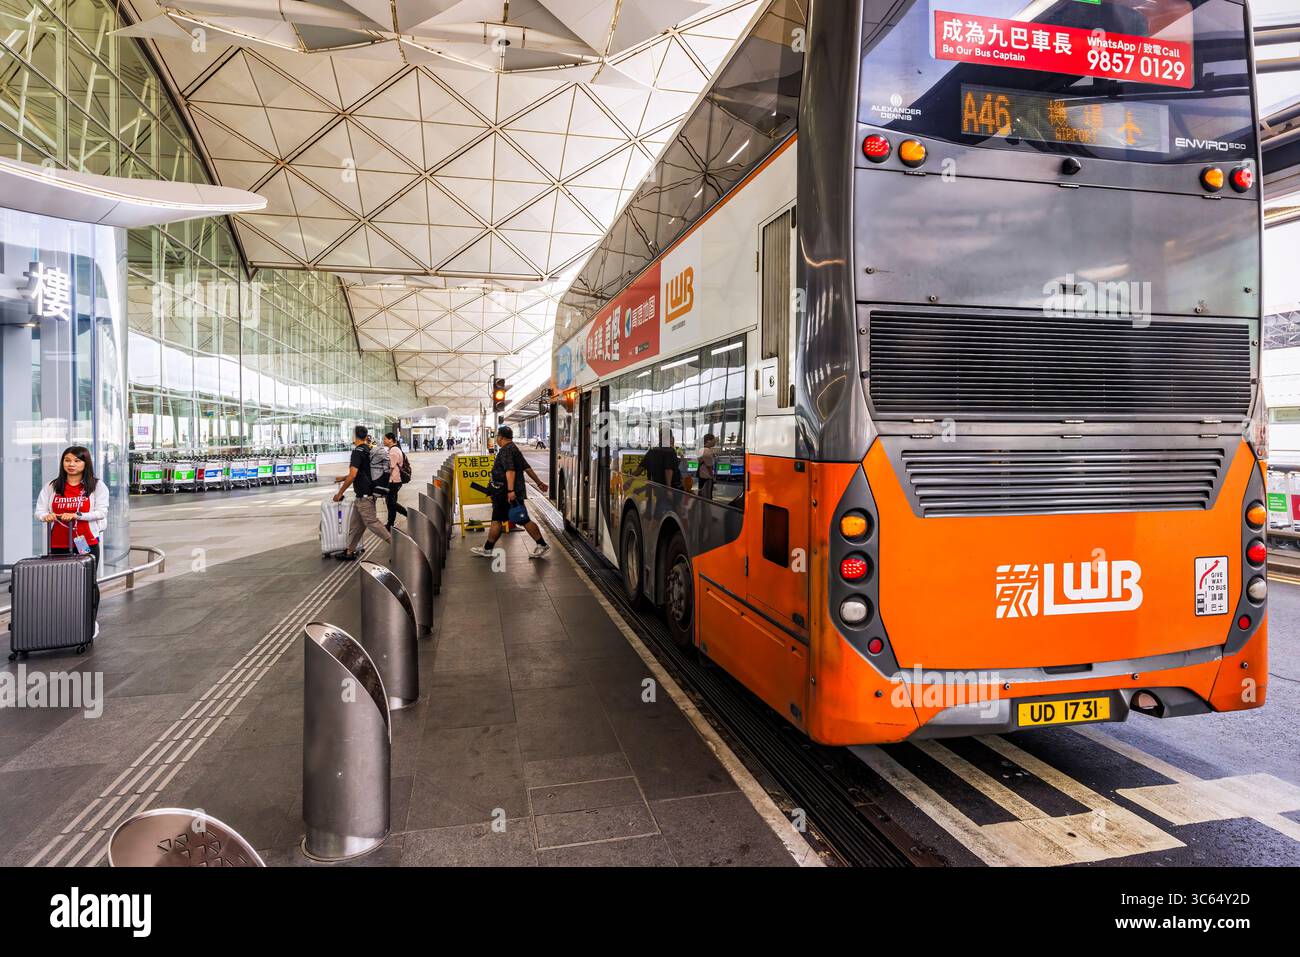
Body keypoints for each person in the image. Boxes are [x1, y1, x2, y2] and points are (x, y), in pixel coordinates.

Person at [36, 446, 109, 616]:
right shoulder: (52, 486)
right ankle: (67, 621)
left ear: (85, 463)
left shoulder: (96, 486)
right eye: (67, 460)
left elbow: (101, 512)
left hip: (86, 543)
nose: (71, 464)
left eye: (77, 460)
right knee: (61, 583)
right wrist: (45, 516)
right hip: (58, 543)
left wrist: (77, 515)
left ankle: (89, 622)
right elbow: (39, 511)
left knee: (88, 582)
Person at [471, 425, 550, 560]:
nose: (496, 439)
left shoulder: (506, 450)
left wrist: (510, 491)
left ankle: (488, 549)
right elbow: (527, 468)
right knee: (521, 519)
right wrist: (539, 482)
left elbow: (510, 470)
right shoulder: (514, 449)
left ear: (501, 437)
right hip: (510, 492)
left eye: (497, 437)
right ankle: (541, 544)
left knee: (499, 520)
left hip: (505, 493)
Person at [332, 426, 392, 561]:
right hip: (364, 493)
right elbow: (361, 472)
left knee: (372, 522)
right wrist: (343, 478)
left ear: (354, 436)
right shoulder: (366, 449)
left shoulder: (357, 452)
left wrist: (339, 493)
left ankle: (398, 545)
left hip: (364, 495)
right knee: (356, 525)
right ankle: (349, 551)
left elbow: (353, 475)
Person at [382, 432, 409, 530]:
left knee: (391, 502)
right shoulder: (395, 449)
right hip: (395, 480)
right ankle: (390, 523)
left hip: (394, 480)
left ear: (390, 439)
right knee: (391, 502)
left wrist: (384, 480)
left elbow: (391, 468)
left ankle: (407, 514)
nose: (383, 440)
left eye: (385, 439)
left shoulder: (393, 451)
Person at [697, 433, 717, 500]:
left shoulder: (701, 449)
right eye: (714, 440)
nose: (715, 442)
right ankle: (706, 509)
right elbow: (709, 467)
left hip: (701, 475)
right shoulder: (707, 451)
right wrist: (712, 477)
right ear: (708, 441)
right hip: (707, 477)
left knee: (702, 494)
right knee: (707, 496)